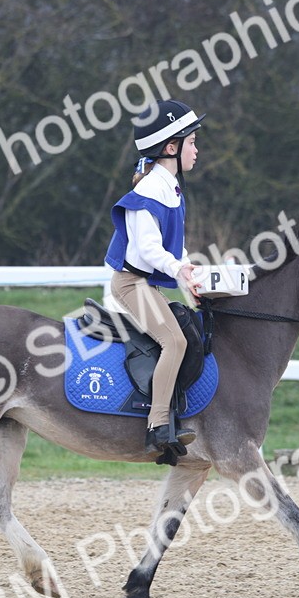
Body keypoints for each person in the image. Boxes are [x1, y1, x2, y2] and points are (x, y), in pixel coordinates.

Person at [103, 98, 205, 460]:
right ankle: (158, 426)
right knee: (174, 342)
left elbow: (174, 249)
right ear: (171, 148)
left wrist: (190, 274)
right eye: (192, 143)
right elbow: (147, 249)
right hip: (132, 284)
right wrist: (178, 270)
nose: (197, 150)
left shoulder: (170, 187)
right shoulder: (149, 191)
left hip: (146, 283)